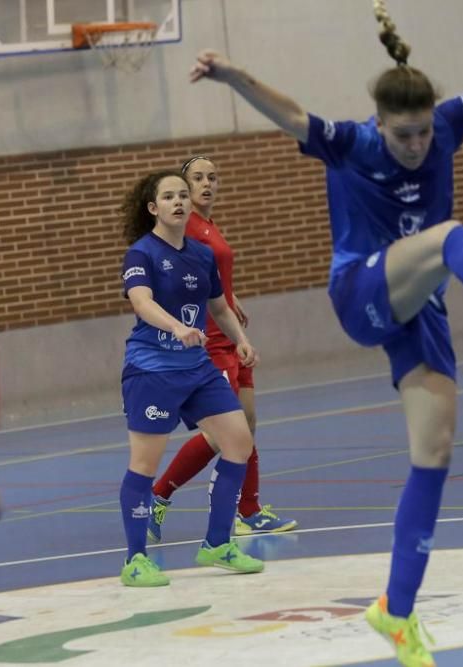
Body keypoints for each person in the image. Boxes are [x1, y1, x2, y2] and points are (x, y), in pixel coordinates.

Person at [189, 0, 463, 664]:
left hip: (421, 310)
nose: (415, 146)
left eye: (423, 134)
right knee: (449, 237)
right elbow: (289, 111)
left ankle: (396, 614)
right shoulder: (351, 144)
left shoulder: (449, 124)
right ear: (380, 125)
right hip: (362, 290)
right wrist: (232, 74)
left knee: (434, 454)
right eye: (402, 136)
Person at [118, 169, 265, 587]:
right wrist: (176, 327)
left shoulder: (202, 254)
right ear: (153, 208)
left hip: (197, 369)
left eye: (183, 195)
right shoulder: (141, 254)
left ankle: (217, 544)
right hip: (152, 370)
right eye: (169, 196)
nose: (180, 201)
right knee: (144, 466)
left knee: (238, 442)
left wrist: (241, 340)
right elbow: (141, 302)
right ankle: (135, 560)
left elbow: (218, 307)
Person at [147, 155, 297, 543]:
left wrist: (232, 298)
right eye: (197, 178)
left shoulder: (209, 227)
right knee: (224, 435)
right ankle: (159, 494)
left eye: (212, 177)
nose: (206, 184)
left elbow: (211, 277)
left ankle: (249, 510)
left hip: (231, 335)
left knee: (247, 425)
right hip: (209, 342)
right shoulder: (186, 227)